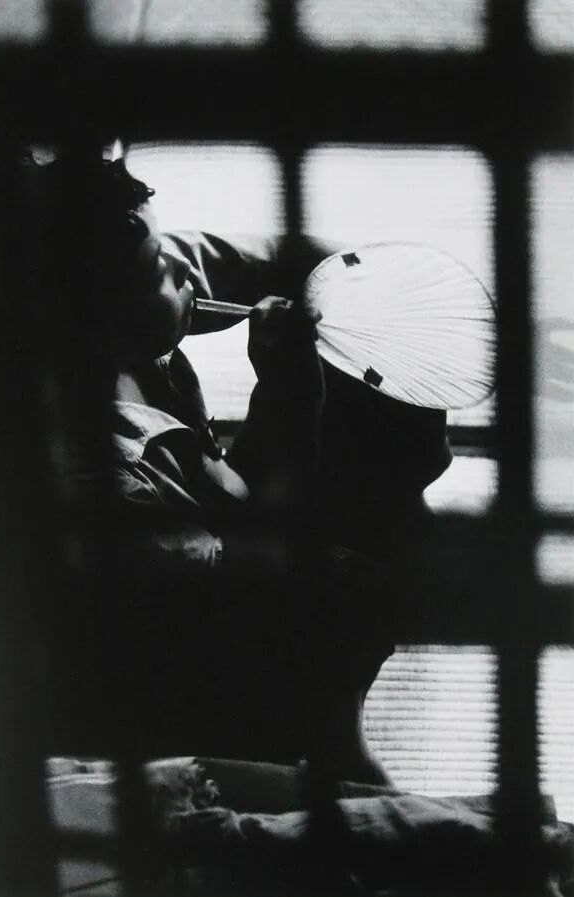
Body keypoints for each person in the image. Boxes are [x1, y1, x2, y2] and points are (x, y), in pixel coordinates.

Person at [29, 156, 452, 782]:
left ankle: (340, 735)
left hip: (224, 560)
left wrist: (352, 290)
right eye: (160, 265)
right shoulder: (99, 481)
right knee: (353, 583)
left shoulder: (123, 320)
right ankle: (328, 742)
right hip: (176, 681)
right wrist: (289, 399)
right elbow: (250, 588)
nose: (181, 267)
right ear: (95, 313)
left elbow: (271, 256)